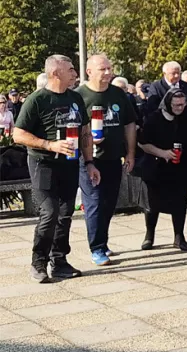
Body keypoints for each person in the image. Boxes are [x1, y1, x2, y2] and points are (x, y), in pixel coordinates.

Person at [13, 55, 97, 282]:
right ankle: (38, 262)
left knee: (66, 213)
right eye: (70, 69)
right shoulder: (37, 100)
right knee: (49, 213)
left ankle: (59, 261)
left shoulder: (75, 98)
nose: (74, 74)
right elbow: (18, 134)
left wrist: (89, 163)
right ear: (55, 73)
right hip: (44, 163)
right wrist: (49, 144)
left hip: (70, 163)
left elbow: (85, 132)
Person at [77, 55, 137, 266]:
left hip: (113, 157)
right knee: (94, 202)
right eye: (103, 69)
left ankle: (102, 241)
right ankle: (96, 248)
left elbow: (129, 124)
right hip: (89, 159)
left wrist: (130, 153)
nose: (108, 72)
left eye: (110, 68)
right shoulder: (79, 96)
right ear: (89, 72)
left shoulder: (118, 94)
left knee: (109, 202)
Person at [138, 89, 187, 251]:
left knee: (180, 202)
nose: (179, 108)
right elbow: (142, 143)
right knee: (152, 203)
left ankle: (179, 237)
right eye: (176, 105)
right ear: (168, 103)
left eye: (182, 104)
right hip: (157, 166)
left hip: (181, 165)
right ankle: (149, 236)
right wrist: (162, 153)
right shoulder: (154, 118)